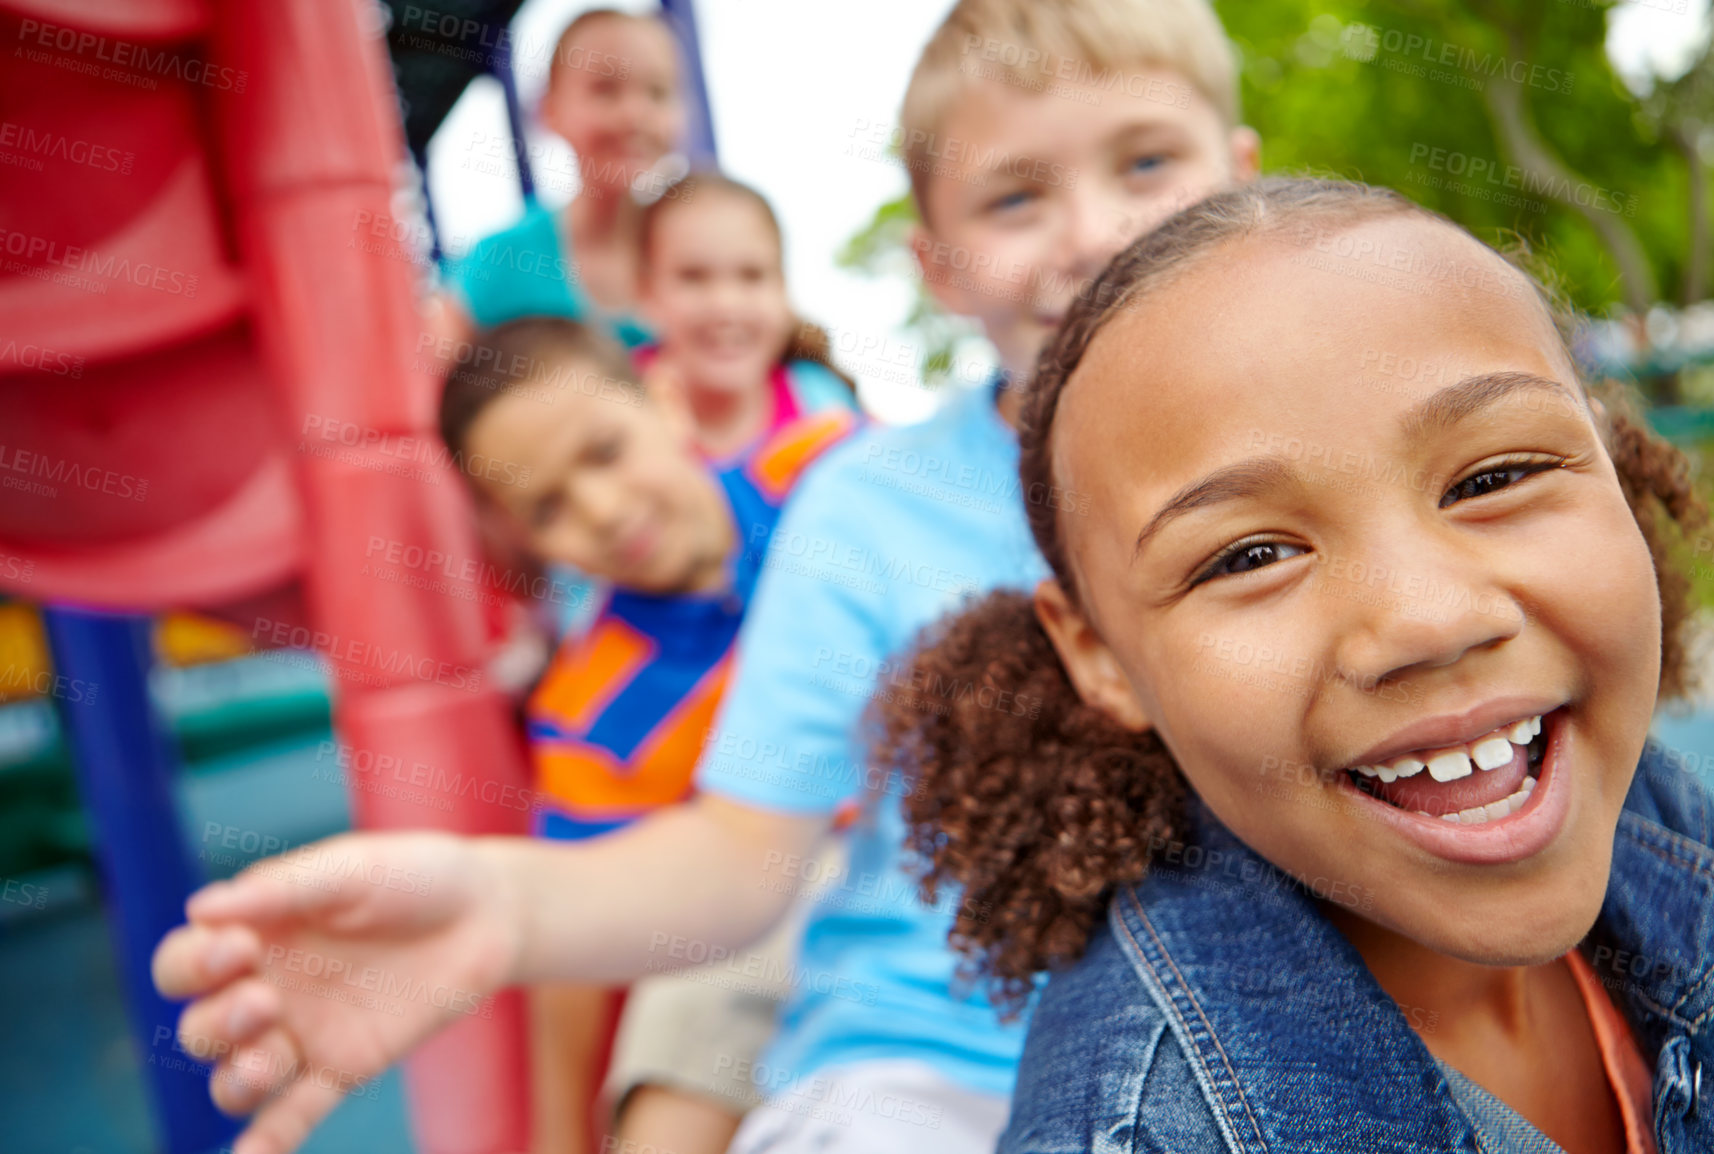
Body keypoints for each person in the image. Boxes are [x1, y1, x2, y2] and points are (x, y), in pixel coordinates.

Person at [147, 3, 1261, 1151]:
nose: (1089, 231)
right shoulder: (861, 509)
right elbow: (740, 849)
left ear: (1239, 176)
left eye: (1144, 161)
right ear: (933, 265)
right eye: (1015, 197)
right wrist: (502, 905)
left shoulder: (802, 450)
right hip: (925, 1062)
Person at [872, 178, 1714, 1154]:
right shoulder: (1143, 1129)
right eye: (1249, 555)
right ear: (1098, 654)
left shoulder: (1640, 795)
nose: (1428, 619)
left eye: (1492, 478)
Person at [444, 316, 853, 1154]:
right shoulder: (589, 710)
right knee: (677, 1056)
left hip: (968, 817)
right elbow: (570, 940)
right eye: (548, 506)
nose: (600, 510)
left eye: (603, 452)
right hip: (788, 899)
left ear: (665, 400)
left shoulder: (829, 475)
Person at [443, 9, 685, 347]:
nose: (635, 115)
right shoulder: (499, 263)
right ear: (550, 110)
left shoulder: (705, 254)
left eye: (658, 92)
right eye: (605, 89)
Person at [636, 172, 858, 462]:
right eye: (693, 277)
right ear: (646, 291)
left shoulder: (822, 405)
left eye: (752, 275)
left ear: (782, 289)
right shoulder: (619, 402)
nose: (725, 305)